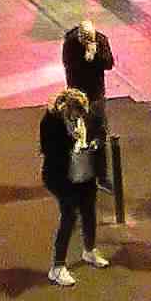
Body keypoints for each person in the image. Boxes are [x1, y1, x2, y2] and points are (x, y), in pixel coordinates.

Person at [39, 83, 107, 284]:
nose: (79, 117)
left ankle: (90, 250)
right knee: (69, 215)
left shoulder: (86, 116)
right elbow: (48, 150)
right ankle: (57, 267)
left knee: (89, 210)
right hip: (60, 175)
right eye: (77, 114)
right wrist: (70, 140)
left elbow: (100, 132)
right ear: (67, 109)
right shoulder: (50, 121)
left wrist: (95, 143)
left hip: (84, 170)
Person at [61, 14, 116, 182]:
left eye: (89, 39)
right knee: (77, 132)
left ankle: (101, 175)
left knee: (99, 132)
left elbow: (109, 63)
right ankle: (79, 172)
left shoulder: (100, 40)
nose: (87, 41)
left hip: (95, 93)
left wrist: (95, 54)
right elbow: (69, 65)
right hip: (77, 94)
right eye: (84, 39)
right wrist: (85, 58)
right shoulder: (70, 43)